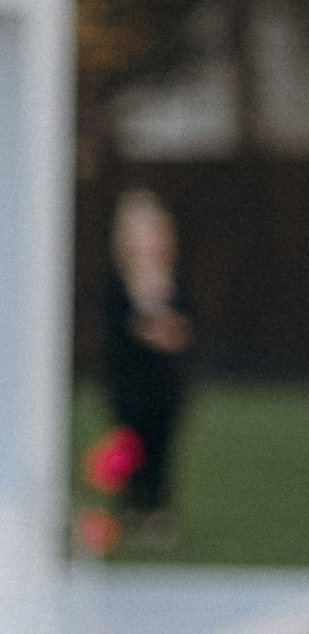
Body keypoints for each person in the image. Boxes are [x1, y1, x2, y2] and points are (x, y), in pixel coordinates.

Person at [101, 187, 194, 536]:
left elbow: (184, 324)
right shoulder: (117, 284)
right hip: (129, 385)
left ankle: (157, 508)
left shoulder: (172, 280)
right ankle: (130, 506)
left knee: (161, 447)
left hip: (164, 385)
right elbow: (117, 326)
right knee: (129, 447)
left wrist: (169, 333)